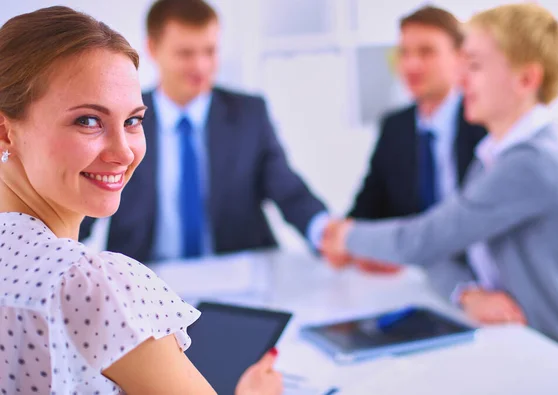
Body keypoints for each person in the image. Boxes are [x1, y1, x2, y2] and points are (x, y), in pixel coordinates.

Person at [0, 6, 282, 394]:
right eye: (88, 120)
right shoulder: (96, 284)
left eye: (133, 120)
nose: (124, 152)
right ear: (5, 131)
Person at [321, 3, 558, 364]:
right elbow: (439, 250)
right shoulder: (491, 158)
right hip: (526, 353)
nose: (462, 78)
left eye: (475, 66)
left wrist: (345, 235)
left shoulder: (534, 164)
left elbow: (425, 239)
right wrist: (467, 293)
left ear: (526, 80)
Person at [79, 0, 329, 263]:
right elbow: (87, 204)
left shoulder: (249, 115)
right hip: (144, 277)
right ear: (152, 48)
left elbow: (288, 191)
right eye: (186, 54)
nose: (200, 66)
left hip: (236, 273)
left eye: (209, 52)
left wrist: (326, 232)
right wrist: (49, 251)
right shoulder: (121, 119)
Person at [333, 6, 486, 275]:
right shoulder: (395, 127)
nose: (412, 65)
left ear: (459, 58)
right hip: (414, 278)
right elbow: (368, 207)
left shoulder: (484, 123)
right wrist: (347, 241)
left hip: (480, 277)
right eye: (405, 53)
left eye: (427, 52)